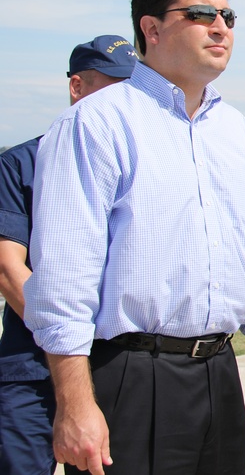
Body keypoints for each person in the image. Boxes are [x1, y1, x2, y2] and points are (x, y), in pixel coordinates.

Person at [24, 0, 245, 475]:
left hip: (219, 371)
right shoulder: (95, 124)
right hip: (131, 377)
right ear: (151, 28)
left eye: (229, 17)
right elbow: (63, 278)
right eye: (202, 13)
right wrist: (76, 404)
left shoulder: (234, 130)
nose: (221, 27)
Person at [0, 35, 136, 475]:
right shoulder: (23, 163)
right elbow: (7, 268)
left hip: (114, 365)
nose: (125, 102)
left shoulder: (136, 162)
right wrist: (67, 342)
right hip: (34, 368)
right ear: (76, 87)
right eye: (113, 87)